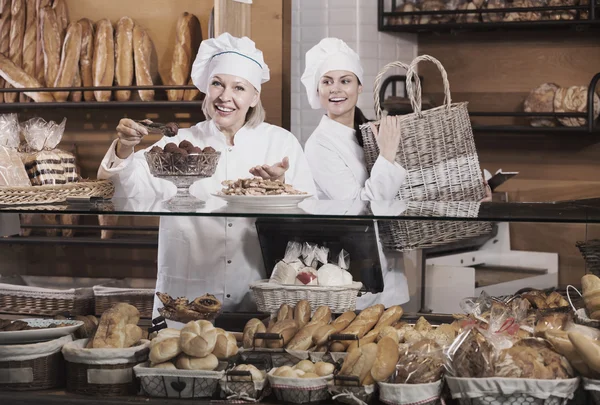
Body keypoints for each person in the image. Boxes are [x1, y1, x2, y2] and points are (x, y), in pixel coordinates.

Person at [98, 33, 316, 321]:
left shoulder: (281, 144)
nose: (225, 96)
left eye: (238, 87)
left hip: (256, 293)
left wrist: (281, 191)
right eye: (217, 84)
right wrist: (125, 146)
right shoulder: (177, 144)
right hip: (186, 295)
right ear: (207, 89)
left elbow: (310, 224)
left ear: (254, 97)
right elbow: (123, 192)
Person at [301, 38, 491, 309]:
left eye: (345, 81)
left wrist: (470, 193)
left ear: (359, 87)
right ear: (317, 90)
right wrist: (388, 155)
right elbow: (360, 208)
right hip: (352, 281)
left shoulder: (370, 132)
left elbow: (414, 183)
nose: (336, 89)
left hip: (393, 282)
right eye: (327, 81)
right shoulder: (319, 145)